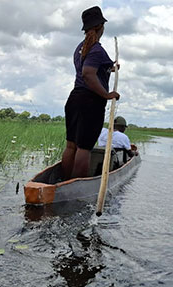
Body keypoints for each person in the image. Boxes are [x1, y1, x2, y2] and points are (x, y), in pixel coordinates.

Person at [61, 6, 120, 180]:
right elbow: (88, 74)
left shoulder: (81, 48)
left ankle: (63, 182)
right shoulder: (96, 49)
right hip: (90, 103)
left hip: (75, 99)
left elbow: (93, 68)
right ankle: (76, 186)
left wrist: (110, 67)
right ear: (101, 26)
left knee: (71, 146)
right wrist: (106, 94)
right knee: (84, 148)